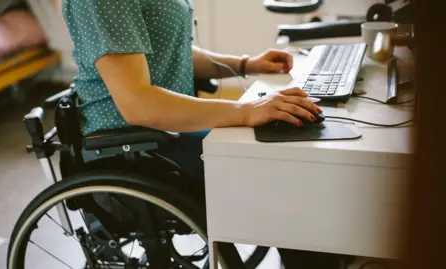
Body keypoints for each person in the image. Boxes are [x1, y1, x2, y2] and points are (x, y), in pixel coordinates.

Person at [62, 0, 341, 268]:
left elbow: (169, 50)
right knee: (282, 171)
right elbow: (138, 104)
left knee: (292, 154)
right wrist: (245, 111)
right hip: (131, 144)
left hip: (166, 129)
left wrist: (246, 64)